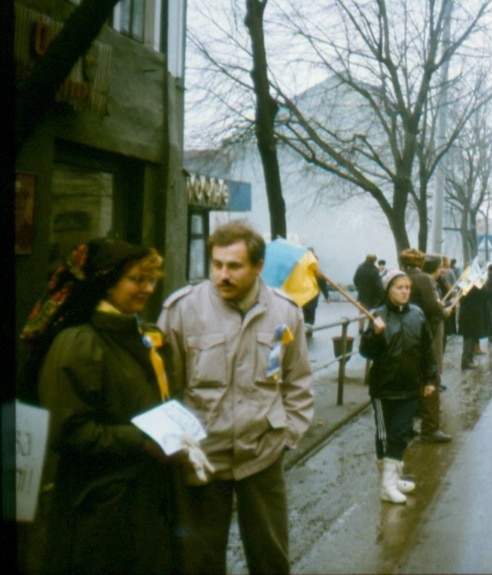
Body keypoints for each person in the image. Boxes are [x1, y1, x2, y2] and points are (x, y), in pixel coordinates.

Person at [22, 239, 198, 574]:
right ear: (107, 282)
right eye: (136, 279)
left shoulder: (146, 336)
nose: (147, 289)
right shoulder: (79, 344)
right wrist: (143, 441)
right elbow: (69, 430)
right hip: (101, 507)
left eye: (151, 280)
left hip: (149, 498)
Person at [159, 220, 314, 575]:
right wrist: (181, 447)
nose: (222, 275)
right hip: (203, 457)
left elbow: (297, 380)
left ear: (258, 266)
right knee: (200, 560)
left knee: (271, 558)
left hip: (262, 453)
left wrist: (287, 434)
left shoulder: (285, 311)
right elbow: (167, 389)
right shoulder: (181, 310)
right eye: (217, 265)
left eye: (234, 266)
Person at [360, 269, 439, 504]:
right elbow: (366, 352)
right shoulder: (379, 316)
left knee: (402, 433)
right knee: (386, 436)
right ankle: (387, 485)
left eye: (407, 288)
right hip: (385, 389)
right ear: (388, 290)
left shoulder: (417, 314)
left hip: (410, 386)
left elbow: (427, 350)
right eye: (399, 288)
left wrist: (429, 379)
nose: (405, 292)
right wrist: (374, 334)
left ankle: (393, 478)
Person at [401, 249, 453, 443]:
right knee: (430, 377)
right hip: (422, 332)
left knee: (408, 380)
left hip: (401, 334)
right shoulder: (423, 279)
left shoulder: (396, 276)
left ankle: (405, 427)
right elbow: (432, 308)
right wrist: (443, 310)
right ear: (420, 262)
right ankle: (430, 429)